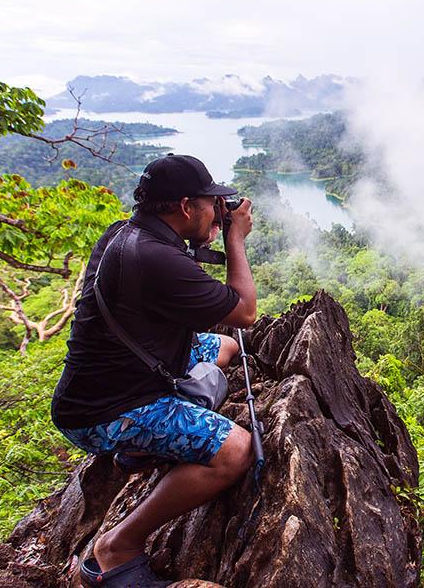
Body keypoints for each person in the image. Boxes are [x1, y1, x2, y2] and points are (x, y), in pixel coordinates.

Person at [50, 154, 257, 586]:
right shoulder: (154, 257)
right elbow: (245, 311)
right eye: (210, 202)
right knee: (235, 450)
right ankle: (115, 548)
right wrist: (234, 240)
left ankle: (141, 451)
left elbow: (191, 303)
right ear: (185, 207)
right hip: (108, 409)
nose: (217, 209)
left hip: (119, 374)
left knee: (224, 348)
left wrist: (209, 231)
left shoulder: (126, 235)